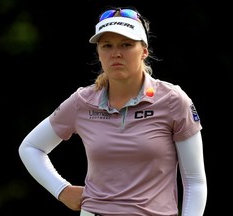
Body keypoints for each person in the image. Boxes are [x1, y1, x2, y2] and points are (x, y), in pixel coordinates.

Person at [18, 6, 207, 216]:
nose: (116, 53)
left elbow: (194, 181)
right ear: (98, 53)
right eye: (107, 45)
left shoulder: (172, 101)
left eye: (126, 45)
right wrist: (61, 190)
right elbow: (31, 147)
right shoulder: (83, 101)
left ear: (144, 51)